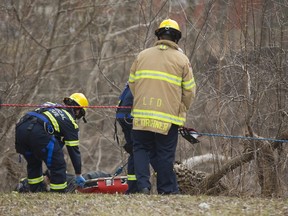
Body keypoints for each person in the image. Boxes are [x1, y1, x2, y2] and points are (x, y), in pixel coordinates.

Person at [128, 19, 196, 194]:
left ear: (158, 35)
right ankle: (166, 190)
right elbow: (189, 91)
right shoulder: (182, 59)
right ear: (176, 39)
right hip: (167, 117)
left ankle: (143, 186)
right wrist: (181, 110)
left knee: (141, 149)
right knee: (164, 154)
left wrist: (143, 102)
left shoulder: (142, 56)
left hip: (141, 115)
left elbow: (132, 84)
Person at [15, 93, 89, 193]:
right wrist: (78, 174)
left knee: (33, 162)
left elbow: (56, 143)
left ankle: (35, 191)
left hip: (21, 130)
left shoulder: (51, 106)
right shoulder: (69, 121)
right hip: (38, 132)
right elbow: (73, 151)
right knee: (58, 164)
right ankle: (58, 193)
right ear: (78, 111)